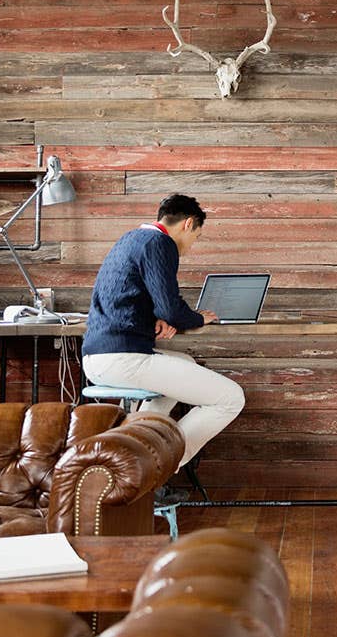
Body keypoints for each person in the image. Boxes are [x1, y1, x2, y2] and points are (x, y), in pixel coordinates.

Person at [82, 194, 244, 467]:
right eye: (197, 236)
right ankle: (157, 464)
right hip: (124, 358)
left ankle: (138, 444)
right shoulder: (160, 243)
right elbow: (170, 307)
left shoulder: (131, 239)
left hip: (98, 356)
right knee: (230, 398)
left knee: (184, 363)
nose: (192, 245)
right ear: (188, 224)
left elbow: (131, 295)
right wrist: (197, 319)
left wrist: (155, 318)